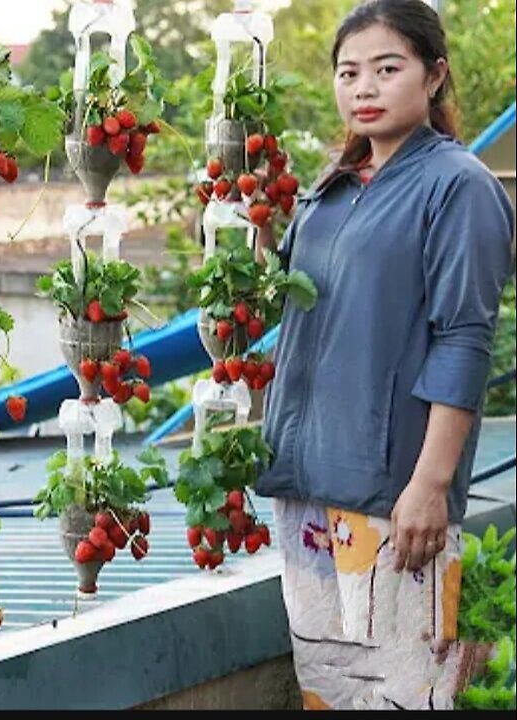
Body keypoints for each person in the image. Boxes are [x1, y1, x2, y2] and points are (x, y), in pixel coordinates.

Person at [254, 0, 514, 710]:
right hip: (307, 489)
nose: (363, 88)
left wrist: (430, 484)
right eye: (348, 72)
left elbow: (465, 338)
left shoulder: (459, 188)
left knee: (403, 696)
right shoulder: (331, 189)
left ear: (434, 77)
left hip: (391, 502)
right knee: (329, 692)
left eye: (386, 68)